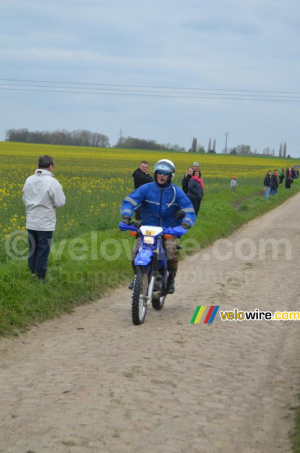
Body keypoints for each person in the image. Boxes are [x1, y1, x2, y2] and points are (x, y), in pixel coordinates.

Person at [121, 159, 196, 294]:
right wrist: (126, 217)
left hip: (169, 229)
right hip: (147, 229)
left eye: (165, 173)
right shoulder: (146, 188)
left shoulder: (176, 192)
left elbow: (189, 210)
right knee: (135, 252)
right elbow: (130, 201)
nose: (162, 175)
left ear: (170, 176)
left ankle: (171, 278)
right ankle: (138, 277)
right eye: (159, 172)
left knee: (171, 250)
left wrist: (185, 224)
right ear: (155, 174)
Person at [22, 155, 66, 281]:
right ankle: (40, 280)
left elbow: (24, 199)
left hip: (31, 221)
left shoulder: (29, 179)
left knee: (33, 250)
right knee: (42, 252)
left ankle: (31, 277)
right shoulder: (52, 182)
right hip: (45, 223)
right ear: (50, 167)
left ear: (38, 165)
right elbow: (60, 202)